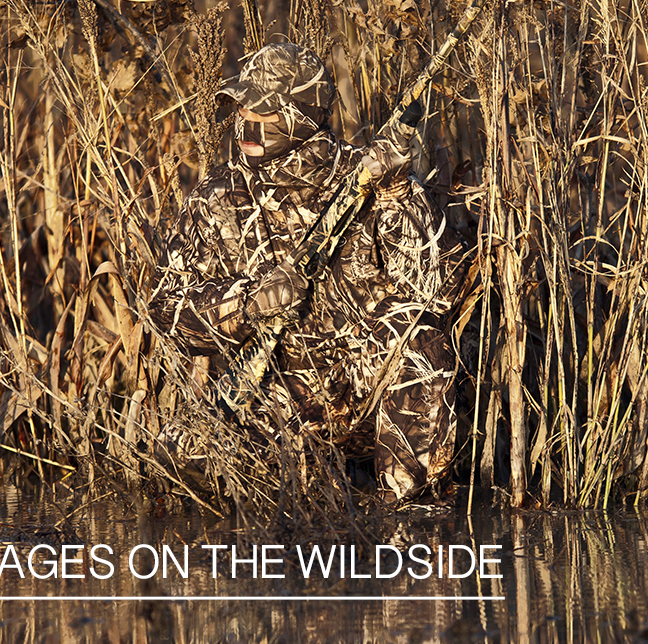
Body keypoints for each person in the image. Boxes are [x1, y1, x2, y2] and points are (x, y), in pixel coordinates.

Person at [148, 42, 466, 500]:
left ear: (304, 113)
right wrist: (247, 302)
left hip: (363, 388)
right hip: (276, 393)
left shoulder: (364, 177)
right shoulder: (216, 197)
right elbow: (165, 307)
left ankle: (408, 520)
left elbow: (434, 293)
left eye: (263, 111)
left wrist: (398, 193)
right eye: (240, 108)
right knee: (183, 452)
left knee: (421, 343)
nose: (245, 124)